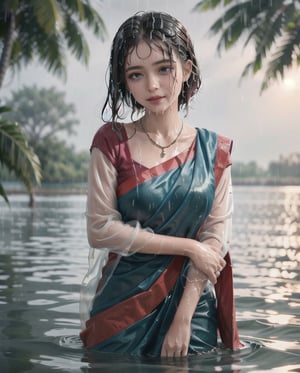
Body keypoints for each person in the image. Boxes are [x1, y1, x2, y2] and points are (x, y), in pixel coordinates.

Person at [80, 11, 242, 358]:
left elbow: (215, 238)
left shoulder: (215, 152)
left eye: (164, 68)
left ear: (186, 69)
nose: (152, 85)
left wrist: (183, 317)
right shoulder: (111, 142)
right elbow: (100, 230)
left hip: (193, 306)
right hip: (120, 309)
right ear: (125, 82)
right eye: (136, 75)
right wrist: (188, 247)